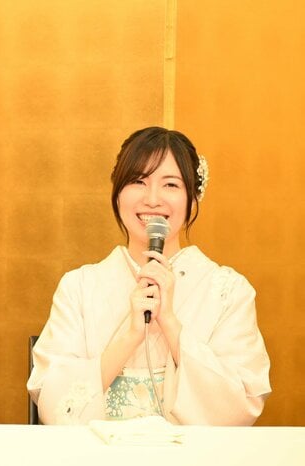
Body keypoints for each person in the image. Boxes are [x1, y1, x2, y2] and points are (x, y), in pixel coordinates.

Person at [27, 126, 271, 425]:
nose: (153, 199)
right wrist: (131, 335)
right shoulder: (78, 287)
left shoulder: (229, 292)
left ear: (193, 198)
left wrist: (169, 322)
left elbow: (240, 407)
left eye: (170, 184)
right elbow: (53, 406)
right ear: (118, 193)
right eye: (138, 181)